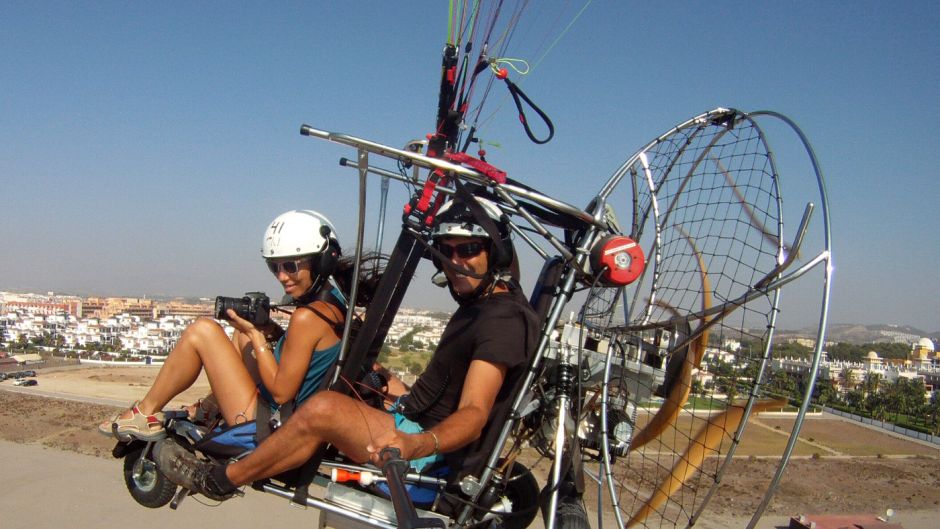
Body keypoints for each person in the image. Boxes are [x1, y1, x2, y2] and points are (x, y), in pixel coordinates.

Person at [154, 196, 539, 501]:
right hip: (411, 417)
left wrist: (415, 442)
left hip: (426, 449)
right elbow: (445, 391)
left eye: (468, 249)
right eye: (446, 251)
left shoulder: (501, 320)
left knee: (322, 408)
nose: (456, 262)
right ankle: (208, 415)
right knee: (368, 382)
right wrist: (393, 387)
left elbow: (474, 412)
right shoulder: (485, 305)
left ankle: (216, 480)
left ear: (497, 253)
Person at [98, 210, 377, 444]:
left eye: (290, 265)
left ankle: (144, 413)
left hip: (270, 421)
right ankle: (210, 409)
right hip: (291, 408)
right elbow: (310, 353)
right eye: (274, 267)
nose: (282, 276)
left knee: (203, 331)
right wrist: (267, 331)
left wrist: (258, 336)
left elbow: (281, 392)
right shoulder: (337, 300)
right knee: (240, 334)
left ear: (321, 261)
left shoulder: (307, 317)